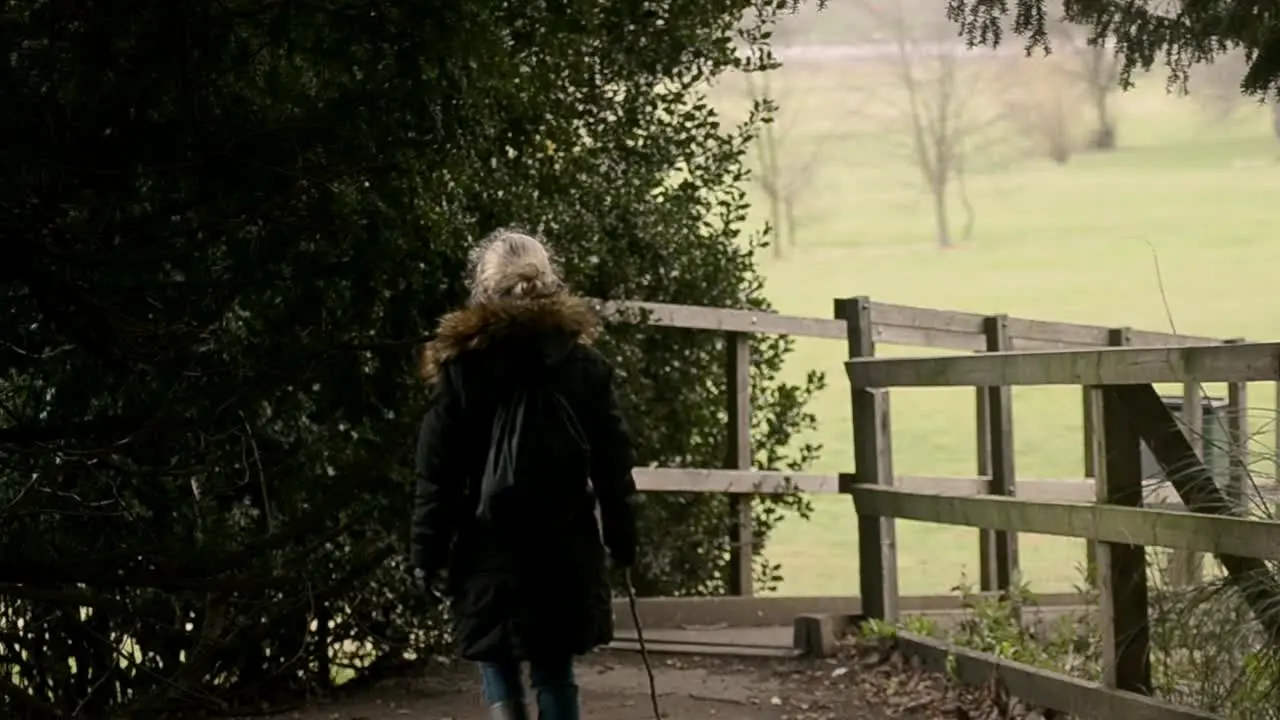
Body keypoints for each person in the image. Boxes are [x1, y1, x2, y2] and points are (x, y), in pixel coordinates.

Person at [410, 229, 639, 720]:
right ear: (550, 281)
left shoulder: (462, 371)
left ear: (483, 289)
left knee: (498, 658)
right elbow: (613, 464)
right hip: (564, 542)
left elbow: (438, 478)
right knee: (554, 667)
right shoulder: (583, 366)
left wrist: (426, 554)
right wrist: (623, 540)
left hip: (487, 545)